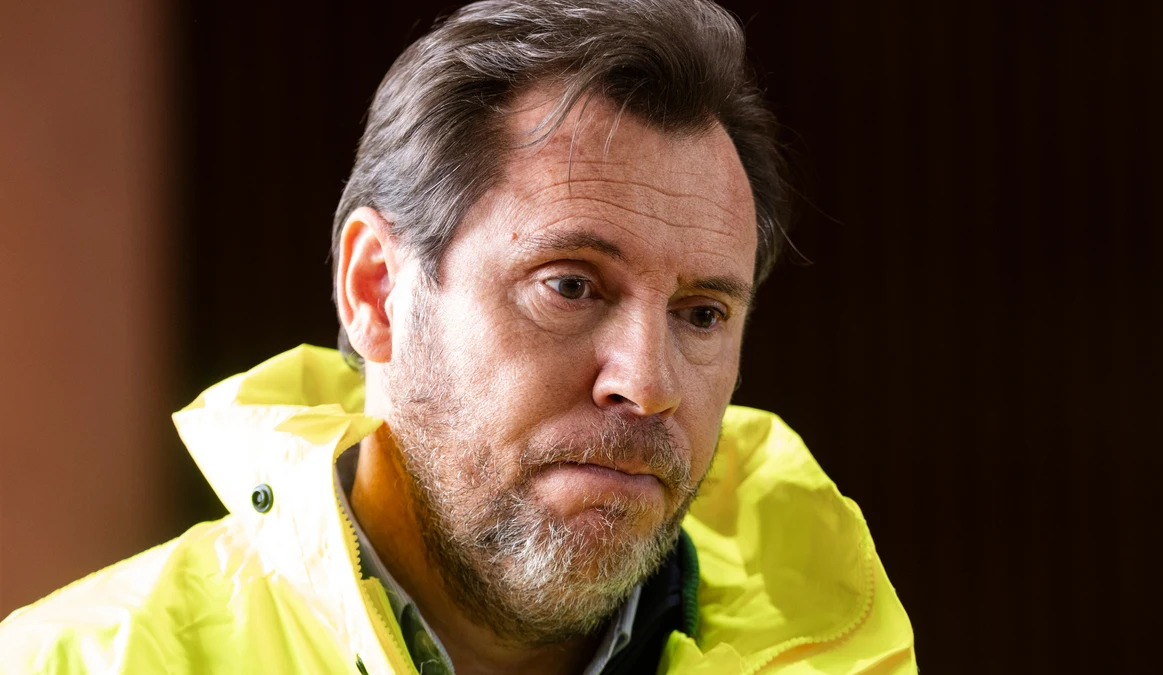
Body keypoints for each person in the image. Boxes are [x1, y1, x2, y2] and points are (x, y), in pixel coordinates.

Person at [0, 0, 916, 672]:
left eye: (702, 313)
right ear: (376, 290)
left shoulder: (845, 658)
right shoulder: (74, 664)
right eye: (569, 285)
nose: (646, 382)